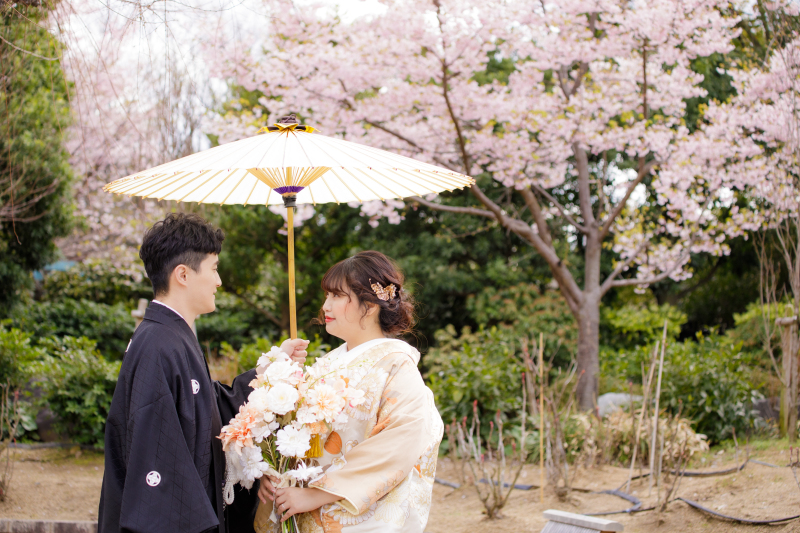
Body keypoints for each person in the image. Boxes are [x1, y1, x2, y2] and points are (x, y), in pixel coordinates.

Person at [98, 213, 309, 533]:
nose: (219, 281)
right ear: (183, 274)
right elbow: (158, 459)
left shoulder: (167, 337)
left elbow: (208, 405)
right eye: (213, 268)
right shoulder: (159, 345)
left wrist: (274, 367)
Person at [257, 250, 443, 533]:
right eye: (327, 296)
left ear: (370, 306)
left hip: (353, 514)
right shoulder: (328, 363)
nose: (325, 306)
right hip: (301, 508)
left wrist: (317, 494)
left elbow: (399, 443)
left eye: (336, 296)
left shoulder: (396, 365)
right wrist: (275, 471)